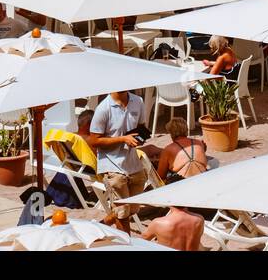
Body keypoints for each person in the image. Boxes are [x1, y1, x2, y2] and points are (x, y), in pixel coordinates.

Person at [87, 90, 148, 231]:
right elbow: (94, 140)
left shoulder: (138, 101)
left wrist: (140, 139)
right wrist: (122, 139)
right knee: (123, 213)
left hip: (133, 163)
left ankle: (102, 225)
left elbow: (142, 127)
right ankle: (126, 245)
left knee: (132, 208)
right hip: (112, 164)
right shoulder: (104, 108)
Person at [156, 118, 208, 183]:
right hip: (203, 179)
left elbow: (160, 176)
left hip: (182, 184)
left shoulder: (168, 149)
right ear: (186, 130)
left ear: (171, 133)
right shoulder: (199, 143)